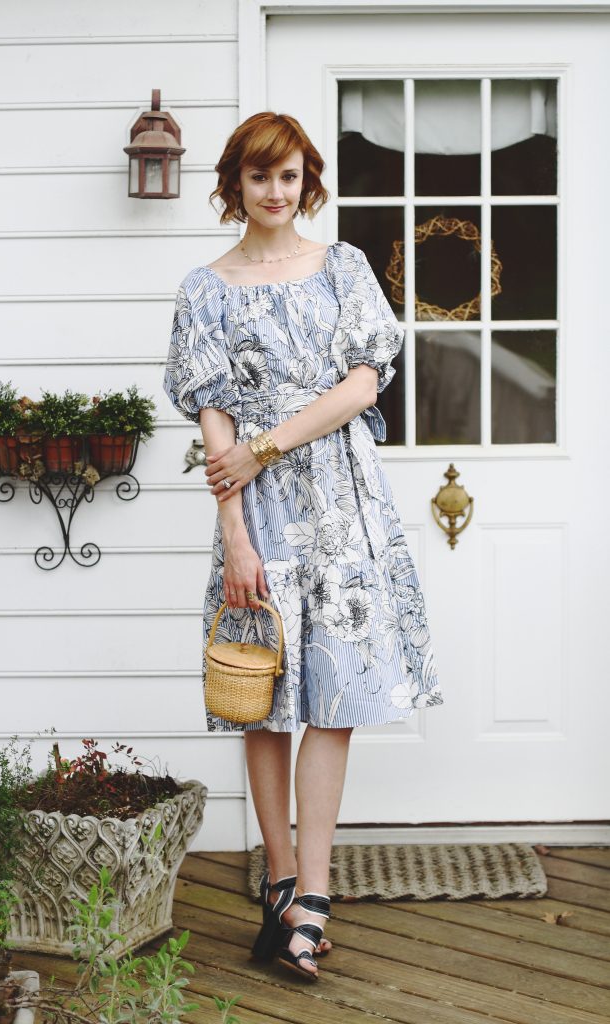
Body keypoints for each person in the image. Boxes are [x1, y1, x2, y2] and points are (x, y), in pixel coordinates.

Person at [163, 111, 444, 981]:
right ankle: (281, 886)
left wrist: (265, 446)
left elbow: (363, 383)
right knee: (263, 692)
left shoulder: (345, 269)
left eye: (289, 177)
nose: (276, 192)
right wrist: (234, 533)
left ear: (306, 182)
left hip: (343, 507)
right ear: (234, 184)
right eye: (259, 177)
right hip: (259, 514)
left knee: (332, 694)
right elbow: (214, 422)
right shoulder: (203, 289)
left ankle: (314, 892)